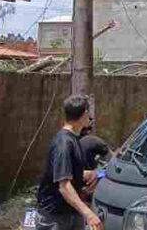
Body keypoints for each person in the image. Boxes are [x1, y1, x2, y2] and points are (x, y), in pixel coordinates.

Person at [36, 95, 103, 230]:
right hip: (55, 216)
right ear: (84, 114)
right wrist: (89, 214)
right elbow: (64, 185)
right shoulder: (64, 143)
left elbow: (67, 171)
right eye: (88, 113)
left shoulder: (73, 139)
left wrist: (91, 174)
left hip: (72, 211)